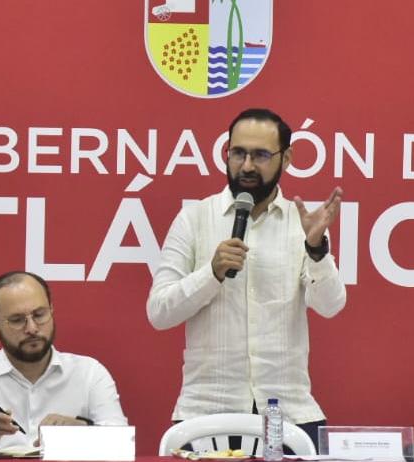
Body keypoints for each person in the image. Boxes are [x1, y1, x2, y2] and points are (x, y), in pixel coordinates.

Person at [146, 108, 346, 445]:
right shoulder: (194, 218)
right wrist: (211, 273)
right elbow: (159, 312)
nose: (247, 166)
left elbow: (331, 305)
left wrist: (316, 249)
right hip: (206, 415)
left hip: (290, 415)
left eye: (261, 155)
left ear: (287, 158)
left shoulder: (302, 224)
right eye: (238, 153)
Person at [0, 271, 127, 451]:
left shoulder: (89, 372)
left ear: (52, 312)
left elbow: (122, 441)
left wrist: (82, 429)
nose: (32, 328)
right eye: (17, 320)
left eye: (39, 315)